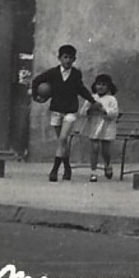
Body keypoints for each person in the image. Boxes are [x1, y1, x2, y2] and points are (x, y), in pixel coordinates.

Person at [31, 44, 96, 182]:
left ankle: (54, 170)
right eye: (65, 57)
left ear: (74, 59)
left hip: (70, 111)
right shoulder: (53, 73)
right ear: (59, 58)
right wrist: (36, 97)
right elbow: (36, 81)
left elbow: (81, 89)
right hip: (56, 110)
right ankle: (67, 168)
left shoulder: (76, 74)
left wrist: (92, 100)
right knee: (63, 142)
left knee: (62, 139)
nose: (68, 60)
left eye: (71, 58)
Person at [83, 74, 121, 182]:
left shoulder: (112, 99)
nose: (100, 87)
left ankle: (108, 164)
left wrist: (103, 110)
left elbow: (114, 113)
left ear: (109, 87)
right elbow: (83, 112)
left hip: (107, 126)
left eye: (104, 85)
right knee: (94, 148)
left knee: (105, 151)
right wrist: (90, 109)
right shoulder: (91, 98)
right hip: (94, 125)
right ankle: (93, 172)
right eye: (98, 84)